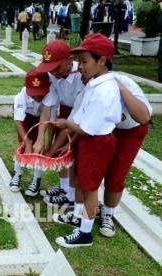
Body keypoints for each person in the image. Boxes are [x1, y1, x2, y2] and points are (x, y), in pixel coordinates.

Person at [54, 34, 121, 247]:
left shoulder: (103, 91)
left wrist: (65, 124)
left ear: (101, 61)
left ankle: (85, 234)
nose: (79, 66)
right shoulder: (95, 85)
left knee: (90, 188)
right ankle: (78, 217)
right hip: (89, 140)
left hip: (96, 142)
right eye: (79, 61)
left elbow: (87, 129)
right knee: (82, 184)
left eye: (84, 61)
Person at [33, 40, 84, 208]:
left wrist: (52, 149)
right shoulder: (53, 75)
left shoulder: (82, 77)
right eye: (50, 68)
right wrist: (41, 138)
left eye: (57, 68)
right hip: (65, 113)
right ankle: (64, 189)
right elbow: (46, 110)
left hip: (81, 117)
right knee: (62, 155)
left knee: (73, 155)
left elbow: (75, 121)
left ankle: (71, 196)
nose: (53, 73)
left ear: (70, 60)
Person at [9, 68, 57, 196]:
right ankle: (17, 174)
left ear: (48, 87)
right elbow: (18, 121)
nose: (37, 97)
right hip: (26, 115)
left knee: (39, 148)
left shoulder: (52, 93)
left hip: (42, 117)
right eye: (33, 93)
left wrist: (48, 142)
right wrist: (28, 142)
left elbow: (49, 120)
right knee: (23, 145)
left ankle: (36, 178)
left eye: (41, 93)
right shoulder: (21, 96)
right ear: (26, 87)